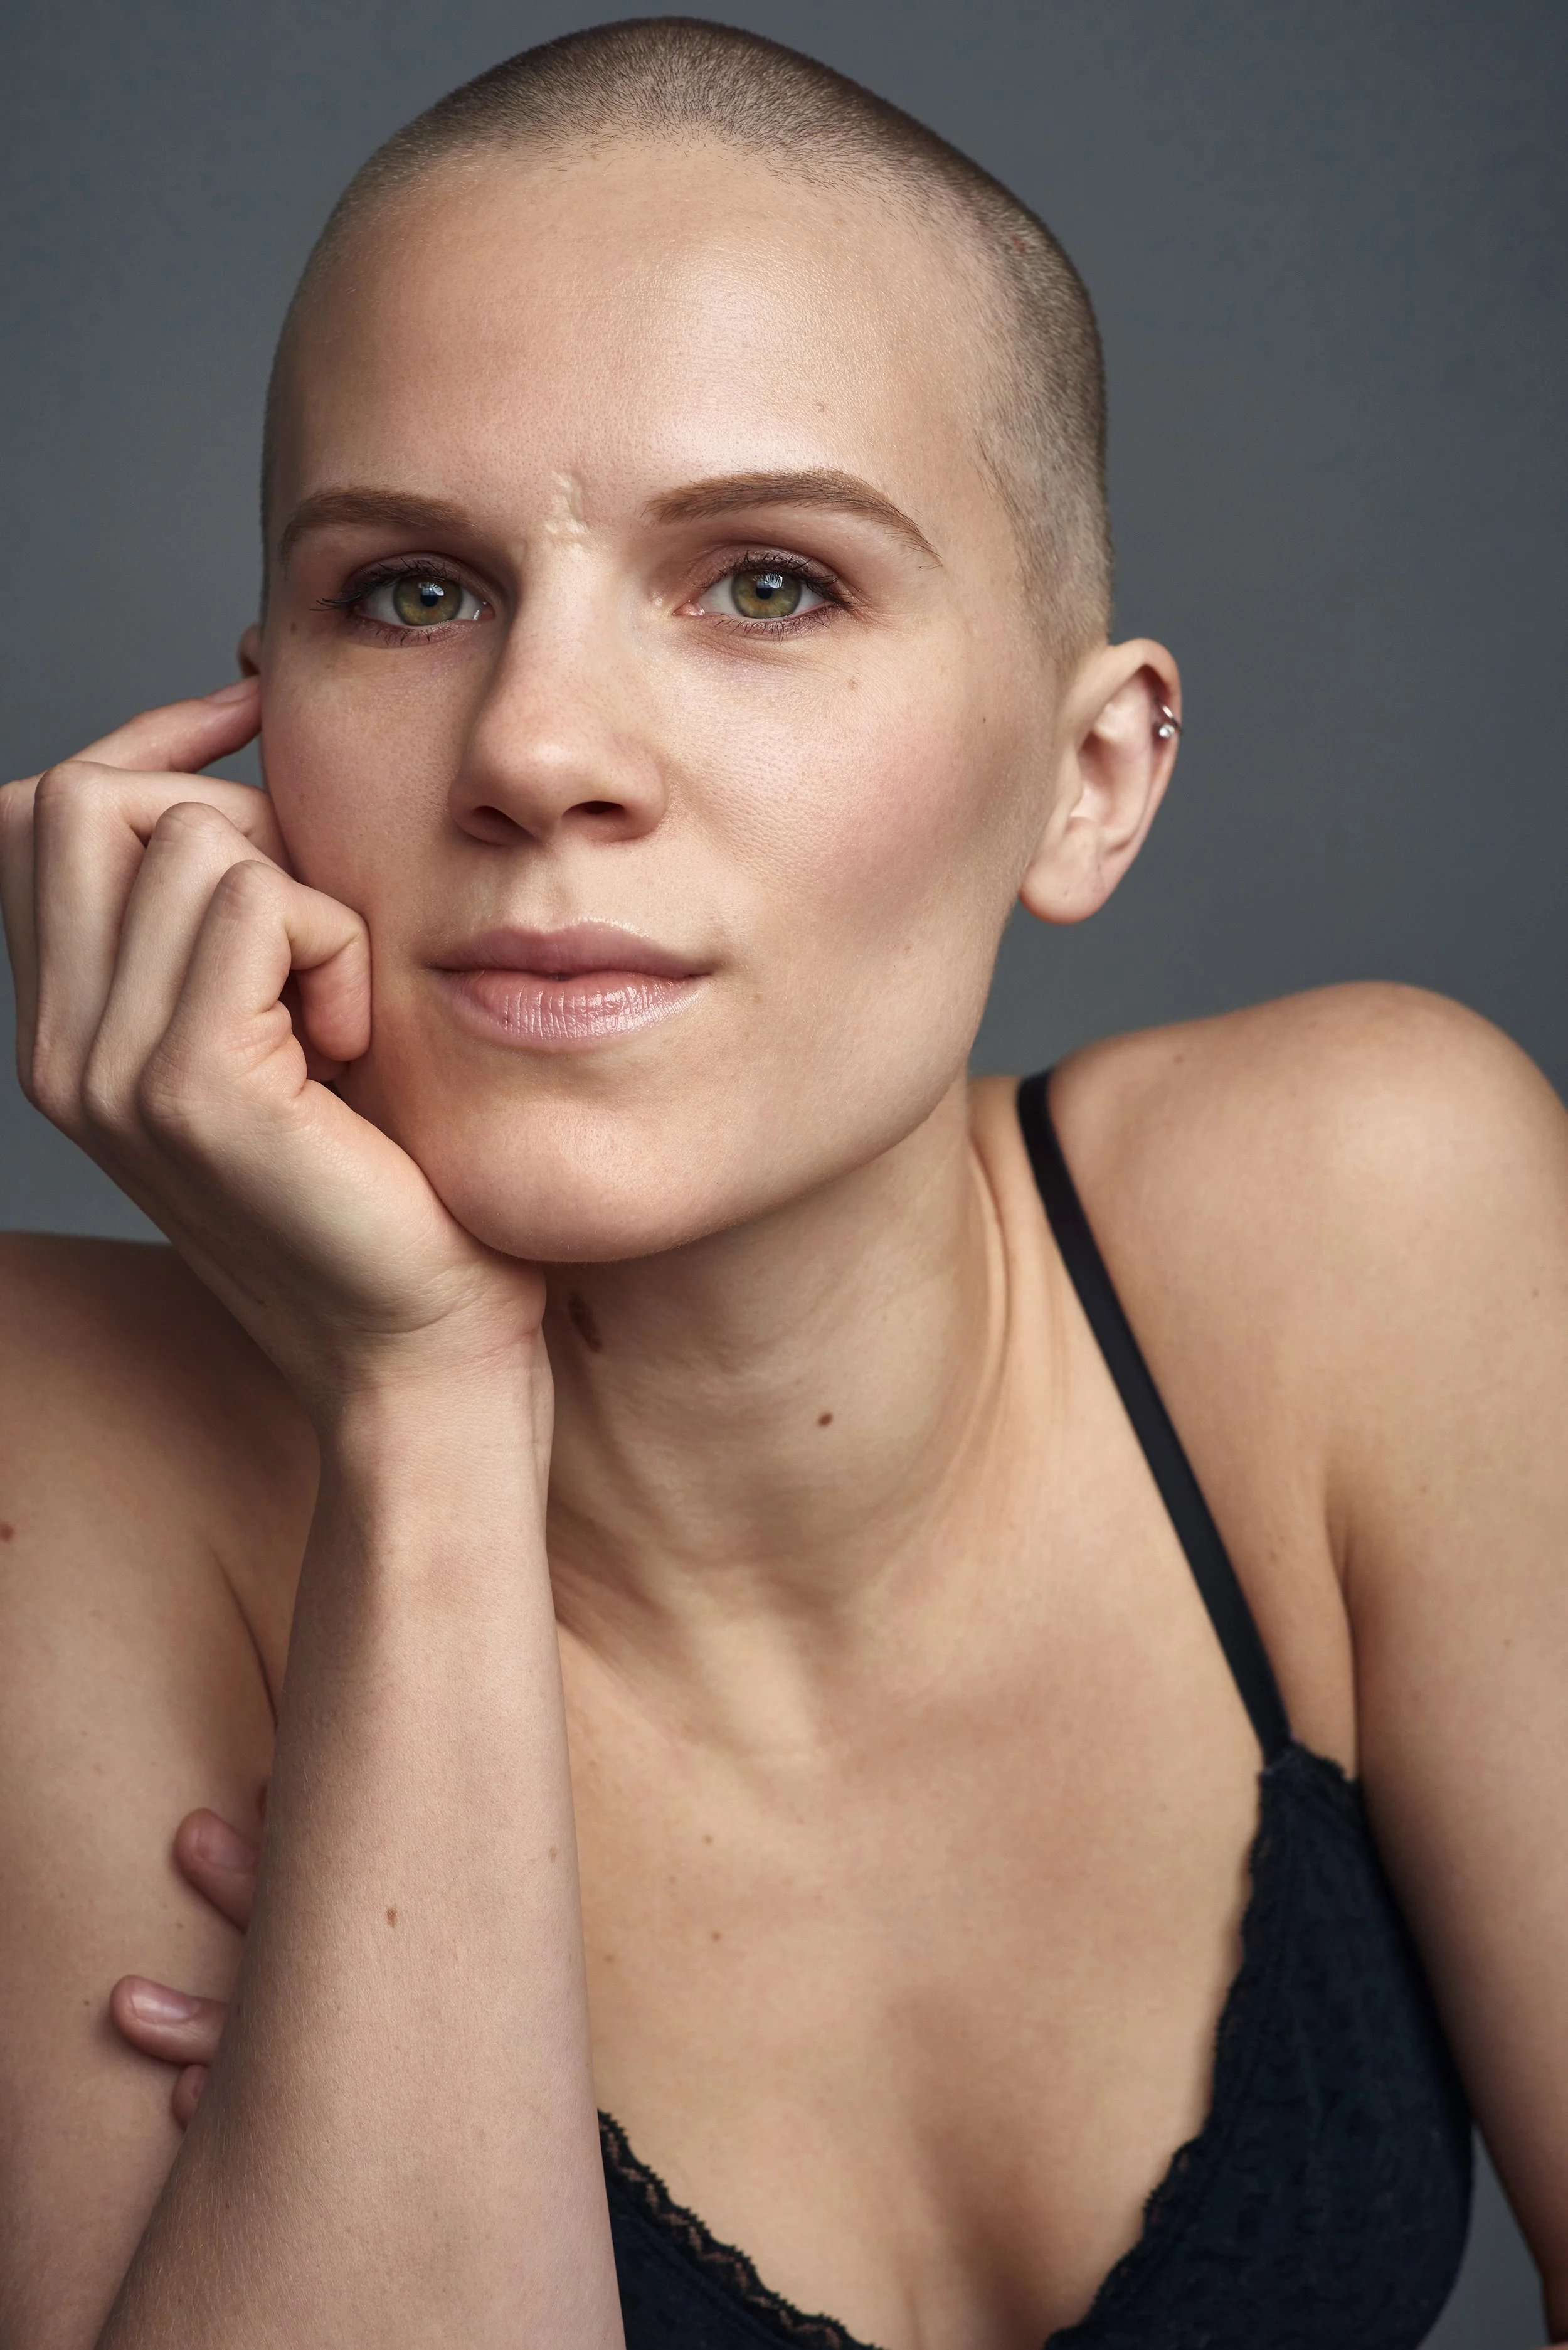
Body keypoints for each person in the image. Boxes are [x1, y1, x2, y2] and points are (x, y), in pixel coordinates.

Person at [1, 19, 1565, 2349]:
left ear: (1089, 779)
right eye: (408, 593)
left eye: (765, 585)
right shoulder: (52, 1449)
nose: (538, 748)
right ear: (251, 748)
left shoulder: (1363, 1218)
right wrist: (427, 1412)